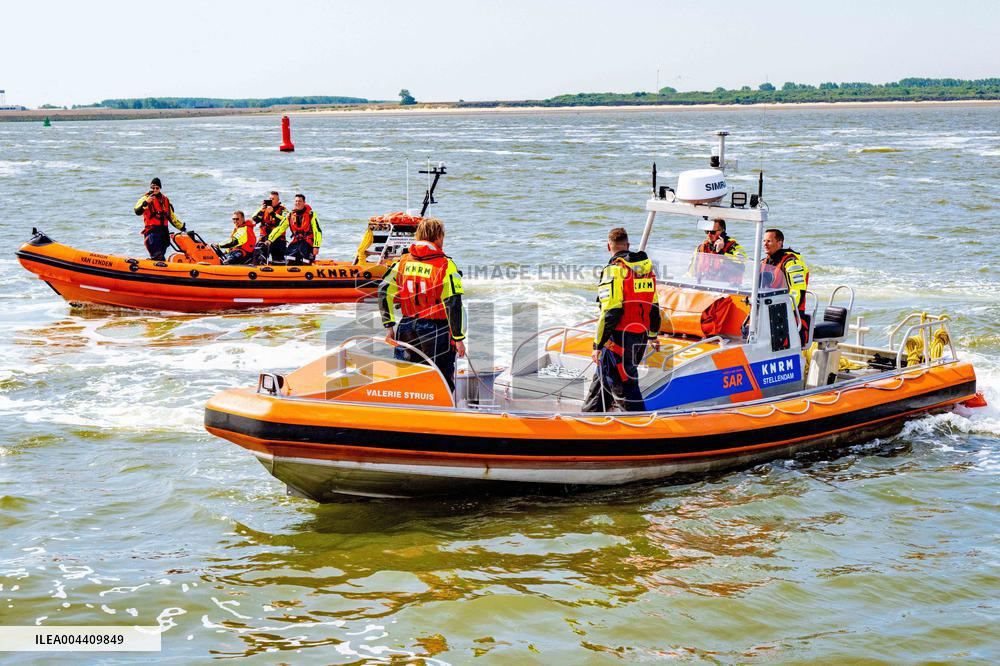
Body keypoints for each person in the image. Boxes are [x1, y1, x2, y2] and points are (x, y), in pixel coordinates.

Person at [379, 218, 466, 393]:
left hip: (406, 326)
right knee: (439, 379)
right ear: (438, 237)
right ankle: (442, 413)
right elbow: (453, 303)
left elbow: (383, 290)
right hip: (436, 330)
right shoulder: (445, 265)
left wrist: (389, 326)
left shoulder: (402, 262)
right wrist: (458, 338)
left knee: (407, 376)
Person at [583, 227, 661, 412]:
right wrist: (652, 336)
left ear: (608, 247)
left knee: (624, 387)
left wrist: (597, 345)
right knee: (602, 380)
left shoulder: (614, 271)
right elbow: (654, 307)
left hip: (619, 339)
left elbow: (611, 312)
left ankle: (639, 428)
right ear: (628, 245)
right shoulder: (646, 271)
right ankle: (589, 418)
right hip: (640, 336)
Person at [134, 177, 185, 261]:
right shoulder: (145, 198)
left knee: (160, 254)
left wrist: (182, 227)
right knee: (158, 256)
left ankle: (158, 269)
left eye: (157, 188)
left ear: (160, 188)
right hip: (152, 232)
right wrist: (146, 202)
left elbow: (172, 218)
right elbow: (137, 211)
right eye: (153, 188)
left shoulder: (165, 200)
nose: (154, 189)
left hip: (163, 232)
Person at [263, 193, 321, 265]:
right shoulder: (290, 215)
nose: (297, 203)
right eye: (296, 201)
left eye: (300, 201)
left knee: (306, 262)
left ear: (304, 202)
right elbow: (280, 228)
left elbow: (317, 231)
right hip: (296, 242)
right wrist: (270, 239)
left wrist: (316, 246)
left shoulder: (311, 214)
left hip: (308, 243)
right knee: (289, 259)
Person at [761, 228, 809, 313]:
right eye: (764, 241)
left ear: (779, 243)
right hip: (767, 310)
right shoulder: (763, 262)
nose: (765, 244)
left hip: (791, 316)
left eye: (769, 241)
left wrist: (786, 311)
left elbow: (798, 293)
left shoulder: (792, 264)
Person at [692, 218, 746, 284]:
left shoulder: (734, 247)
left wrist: (721, 253)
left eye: (712, 232)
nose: (709, 235)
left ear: (722, 232)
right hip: (706, 287)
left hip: (729, 289)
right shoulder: (700, 249)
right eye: (707, 231)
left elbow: (740, 267)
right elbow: (691, 272)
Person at [251, 191, 287, 264]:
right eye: (270, 199)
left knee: (278, 260)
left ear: (278, 200)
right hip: (264, 237)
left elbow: (285, 220)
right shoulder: (264, 209)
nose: (271, 200)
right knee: (258, 256)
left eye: (273, 199)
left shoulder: (283, 210)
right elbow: (254, 219)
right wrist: (262, 210)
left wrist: (273, 213)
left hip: (278, 238)